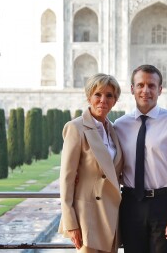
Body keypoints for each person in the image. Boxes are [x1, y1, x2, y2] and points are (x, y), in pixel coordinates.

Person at [114, 64, 167, 253]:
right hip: (130, 203)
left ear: (160, 90)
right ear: (132, 89)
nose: (145, 91)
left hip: (164, 205)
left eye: (151, 85)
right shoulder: (120, 125)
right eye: (140, 85)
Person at [58, 73, 123, 253]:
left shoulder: (114, 130)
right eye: (98, 94)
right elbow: (66, 179)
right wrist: (71, 223)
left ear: (115, 100)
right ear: (89, 98)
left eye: (109, 95)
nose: (103, 100)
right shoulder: (76, 127)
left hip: (110, 213)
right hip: (88, 215)